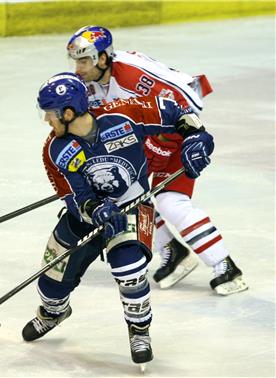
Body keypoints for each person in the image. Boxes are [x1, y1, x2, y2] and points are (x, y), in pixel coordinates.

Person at [22, 72, 215, 367]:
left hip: (132, 207)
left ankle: (139, 331)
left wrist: (197, 136)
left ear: (69, 112)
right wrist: (94, 209)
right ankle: (53, 311)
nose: (46, 120)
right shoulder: (56, 149)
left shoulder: (125, 114)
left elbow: (178, 111)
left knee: (129, 268)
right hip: (88, 216)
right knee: (51, 280)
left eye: (50, 113)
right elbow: (74, 197)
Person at [65, 25, 247, 295]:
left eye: (84, 60)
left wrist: (184, 139)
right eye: (76, 60)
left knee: (170, 201)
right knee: (124, 196)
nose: (78, 68)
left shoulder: (131, 75)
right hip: (147, 134)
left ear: (103, 58)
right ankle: (173, 253)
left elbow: (186, 101)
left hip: (177, 132)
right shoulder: (88, 85)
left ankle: (225, 266)